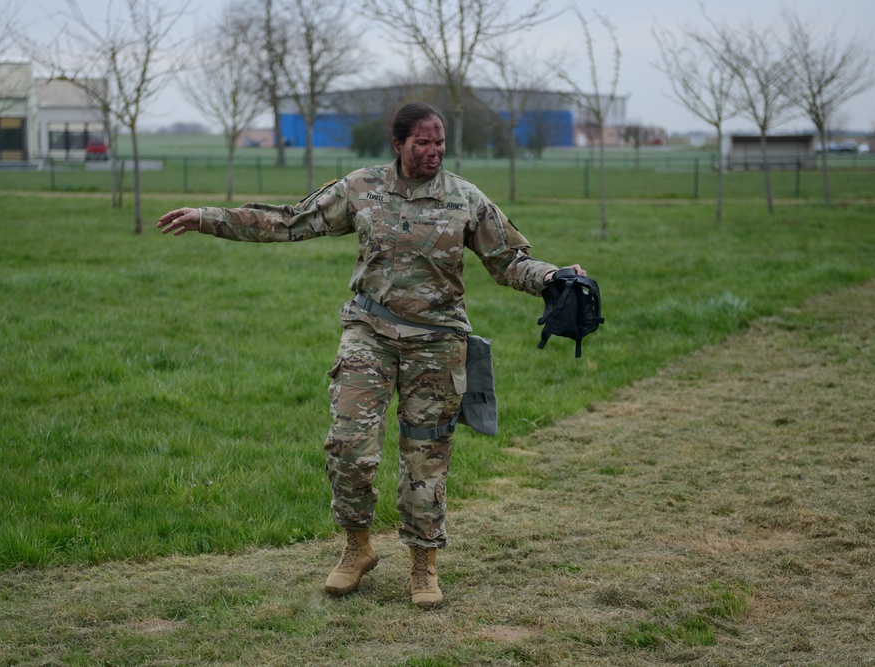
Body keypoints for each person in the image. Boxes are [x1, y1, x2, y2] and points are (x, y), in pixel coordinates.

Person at [157, 102, 585, 609]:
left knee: (425, 457)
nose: (433, 152)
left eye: (439, 142)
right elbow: (291, 220)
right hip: (370, 331)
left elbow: (509, 261)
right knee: (348, 444)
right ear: (399, 145)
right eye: (422, 143)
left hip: (437, 341)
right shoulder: (362, 188)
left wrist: (552, 278)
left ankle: (424, 563)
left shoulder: (466, 199)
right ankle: (356, 547)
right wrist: (210, 218)